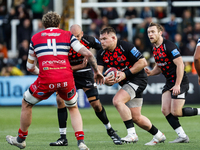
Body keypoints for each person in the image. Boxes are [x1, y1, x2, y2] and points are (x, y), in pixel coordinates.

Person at [6, 11, 104, 150]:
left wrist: (43, 72)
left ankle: (21, 139)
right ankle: (81, 142)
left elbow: (29, 67)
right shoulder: (67, 35)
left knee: (26, 103)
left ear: (44, 24)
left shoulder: (35, 38)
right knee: (73, 107)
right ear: (59, 24)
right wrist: (97, 71)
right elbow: (88, 53)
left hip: (46, 80)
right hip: (66, 78)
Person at [49, 24, 122, 146]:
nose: (75, 39)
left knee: (96, 105)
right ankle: (63, 138)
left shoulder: (89, 40)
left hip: (86, 74)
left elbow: (103, 50)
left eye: (77, 36)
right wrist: (80, 66)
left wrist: (100, 67)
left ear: (82, 34)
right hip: (69, 74)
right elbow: (60, 67)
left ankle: (111, 131)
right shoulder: (63, 44)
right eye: (72, 36)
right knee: (60, 100)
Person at [97, 26, 166, 146]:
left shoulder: (125, 46)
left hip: (138, 79)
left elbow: (143, 62)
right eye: (100, 39)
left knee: (117, 101)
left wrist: (125, 74)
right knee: (136, 117)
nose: (101, 41)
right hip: (126, 82)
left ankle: (132, 134)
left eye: (104, 39)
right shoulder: (101, 53)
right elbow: (99, 74)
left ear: (113, 38)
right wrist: (105, 80)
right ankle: (158, 135)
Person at [145, 22, 200, 143]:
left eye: (153, 31)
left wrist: (177, 84)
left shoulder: (169, 46)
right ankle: (183, 136)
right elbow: (159, 67)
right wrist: (150, 72)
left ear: (160, 33)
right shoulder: (155, 48)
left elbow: (180, 64)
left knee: (176, 112)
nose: (150, 34)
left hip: (180, 82)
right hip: (169, 82)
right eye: (149, 32)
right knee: (165, 110)